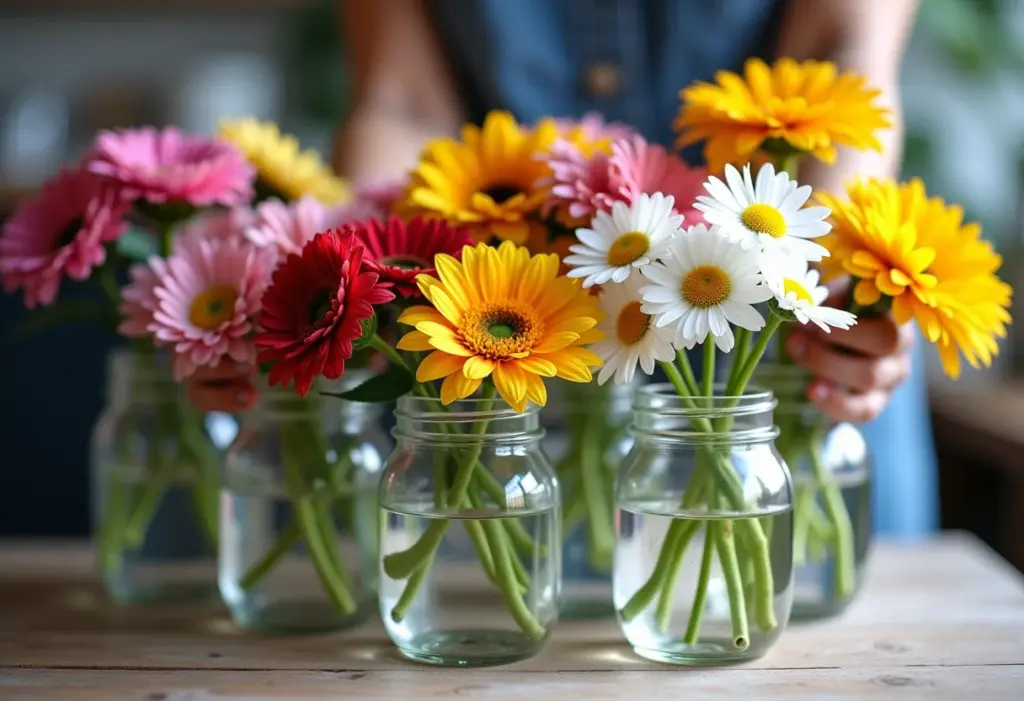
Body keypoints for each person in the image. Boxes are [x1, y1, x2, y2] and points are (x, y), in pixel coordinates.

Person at [190, 0, 936, 537]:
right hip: (488, 357)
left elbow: (844, 64)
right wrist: (347, 292)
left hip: (769, 358)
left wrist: (818, 289)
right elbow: (402, 103)